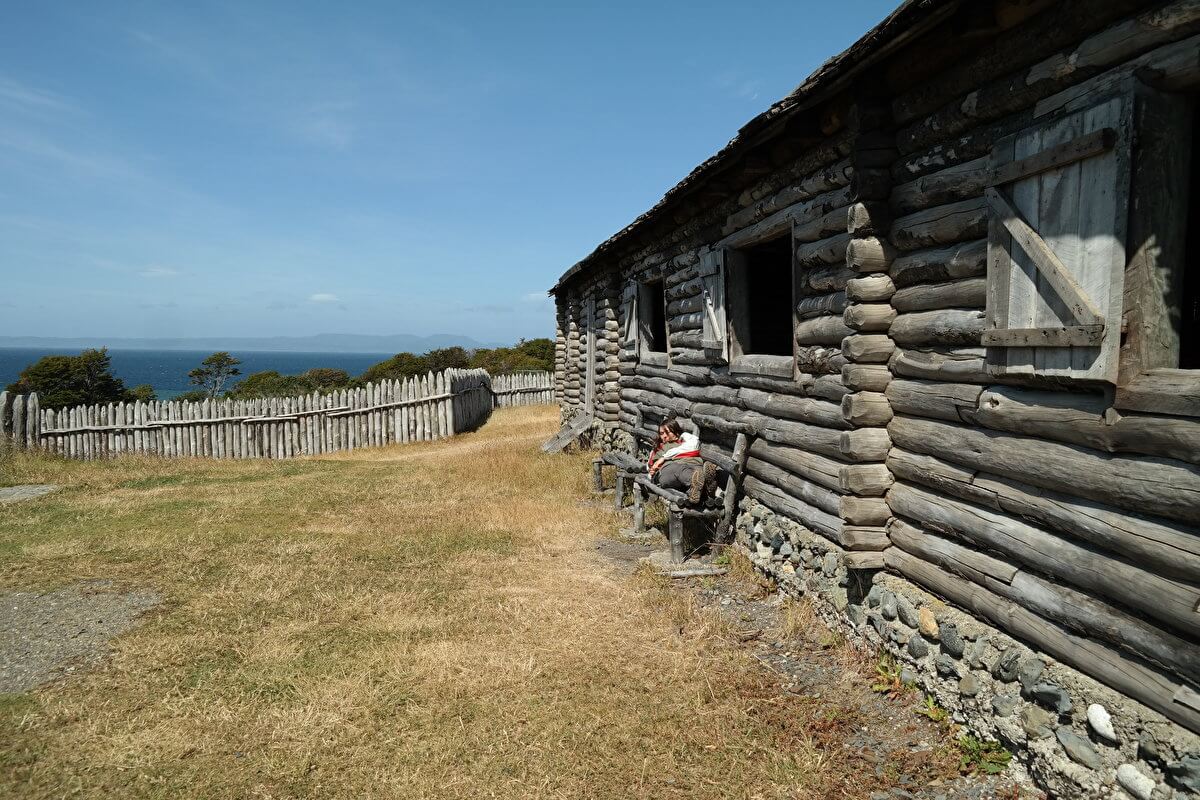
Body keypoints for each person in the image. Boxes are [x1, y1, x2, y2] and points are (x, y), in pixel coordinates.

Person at [647, 419, 720, 505]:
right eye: (662, 433)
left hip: (693, 464)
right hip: (670, 470)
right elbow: (650, 466)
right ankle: (706, 488)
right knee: (680, 470)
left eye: (668, 432)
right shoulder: (660, 446)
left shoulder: (686, 441)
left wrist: (665, 456)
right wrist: (651, 471)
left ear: (676, 431)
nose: (664, 436)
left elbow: (694, 445)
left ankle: (697, 491)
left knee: (698, 471)